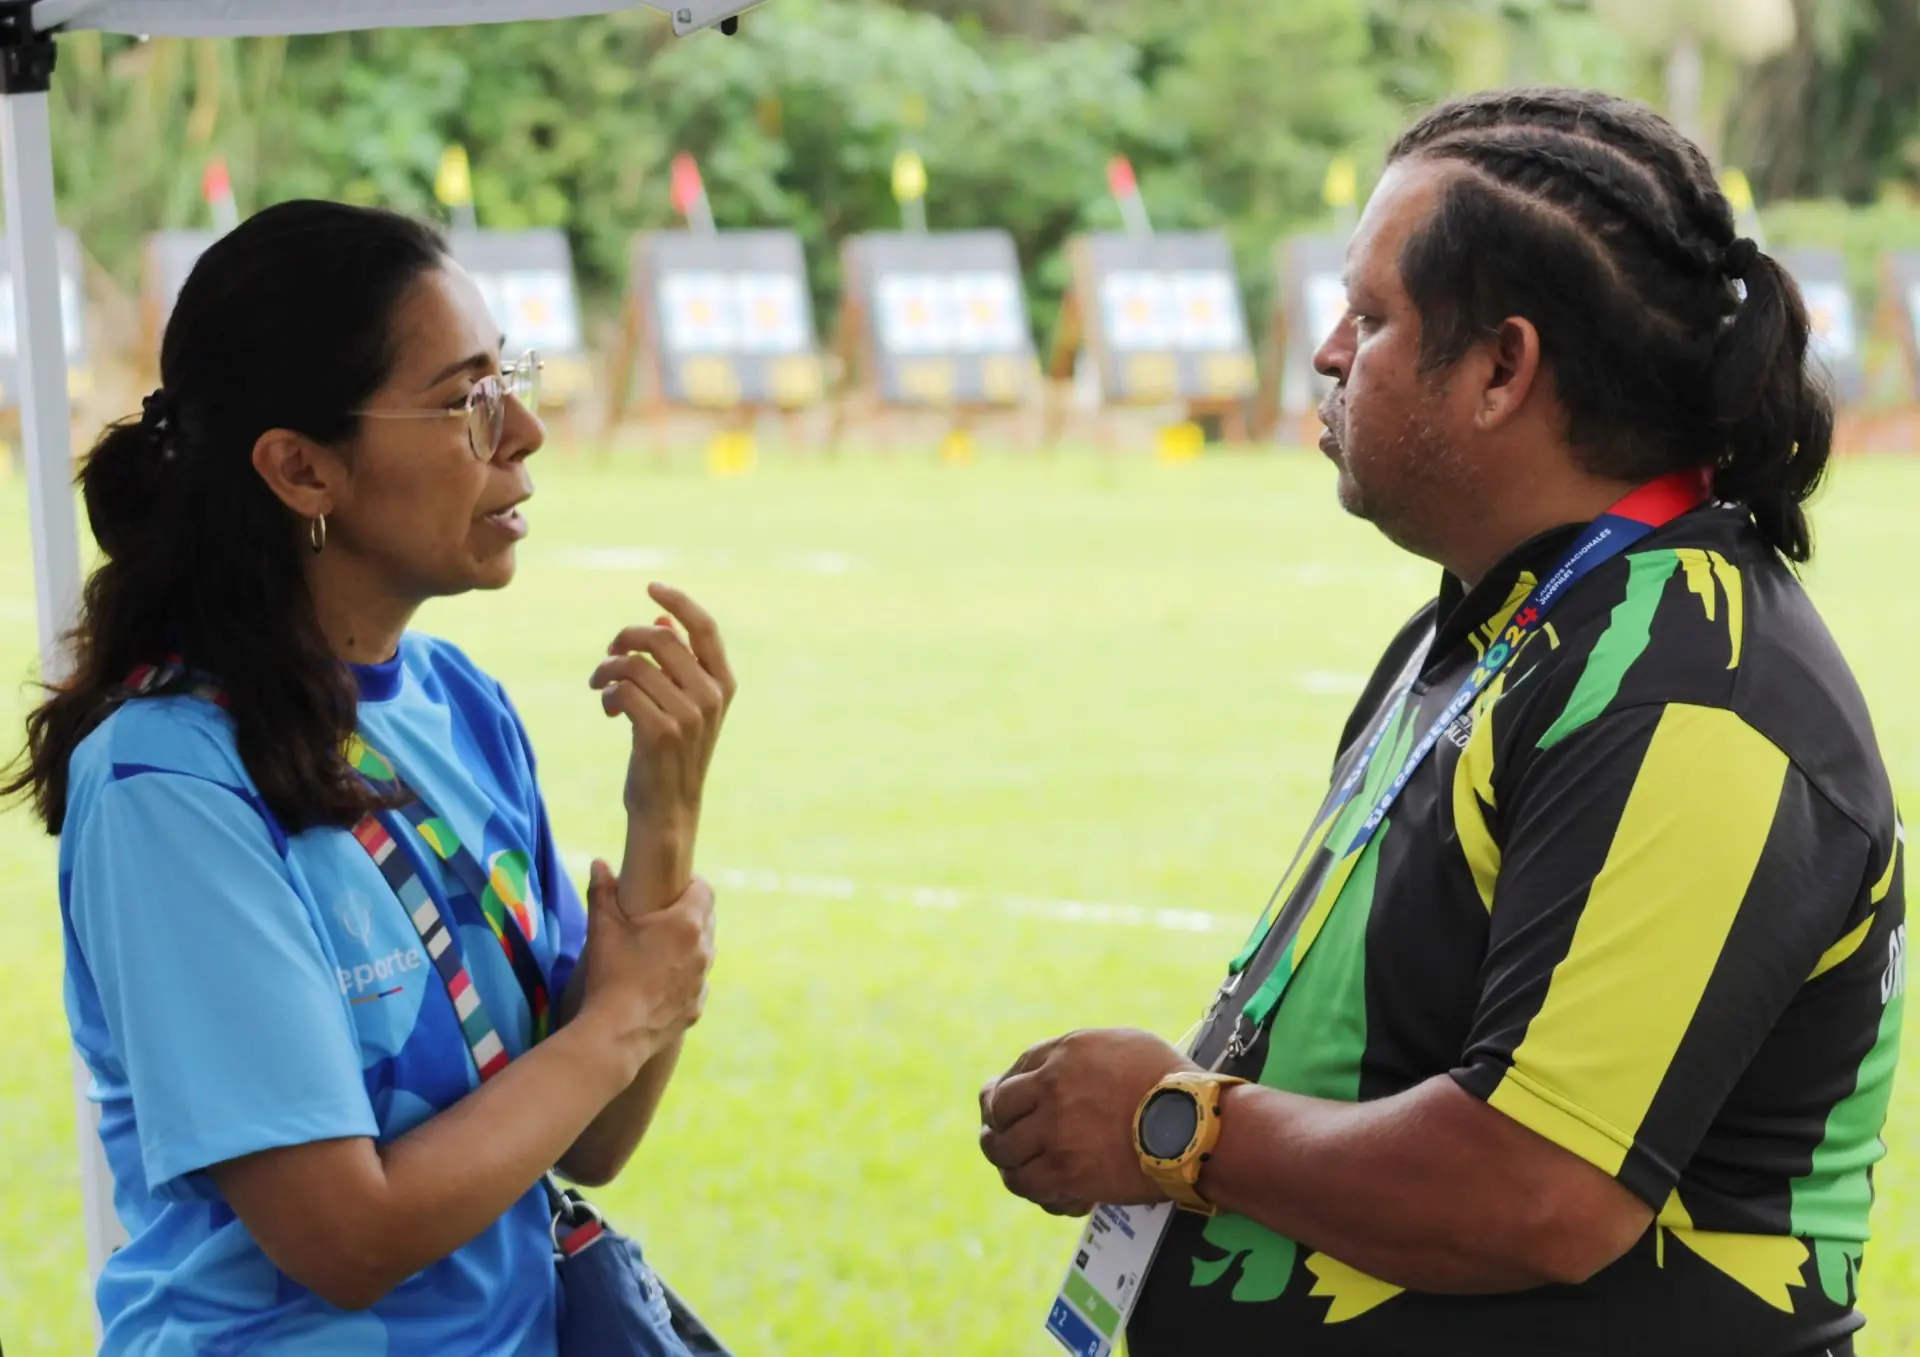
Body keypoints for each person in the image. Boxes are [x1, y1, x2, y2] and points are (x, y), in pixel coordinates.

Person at [979, 87, 1906, 1357]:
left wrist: (1176, 1126)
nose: (1326, 351)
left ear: (1500, 370)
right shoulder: (1497, 623)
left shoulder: (1693, 691)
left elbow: (1537, 1190)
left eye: (1371, 315)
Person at [3, 200, 736, 1354]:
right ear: (302, 470)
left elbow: (588, 1140)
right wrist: (625, 1016)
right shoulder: (168, 785)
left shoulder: (462, 704)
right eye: (466, 401)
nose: (525, 433)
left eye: (512, 379)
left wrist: (666, 815)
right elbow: (344, 1235)